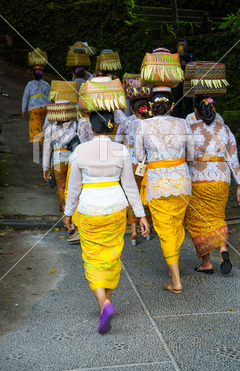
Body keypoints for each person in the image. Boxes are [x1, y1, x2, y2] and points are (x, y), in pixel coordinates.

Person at [63, 110, 150, 334]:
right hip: (116, 207)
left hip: (89, 208)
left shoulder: (80, 150)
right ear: (111, 127)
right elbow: (131, 186)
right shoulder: (121, 150)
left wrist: (68, 212)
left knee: (92, 257)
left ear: (91, 129)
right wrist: (141, 215)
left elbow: (74, 187)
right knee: (112, 255)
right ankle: (106, 303)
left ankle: (104, 303)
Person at [135, 87, 195, 294]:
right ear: (171, 106)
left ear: (151, 107)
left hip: (158, 183)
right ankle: (174, 268)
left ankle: (176, 280)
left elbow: (138, 156)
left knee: (165, 229)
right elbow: (192, 155)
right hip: (181, 181)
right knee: (177, 226)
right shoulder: (183, 123)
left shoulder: (143, 124)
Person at [185, 97, 240, 275]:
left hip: (198, 180)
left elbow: (187, 158)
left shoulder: (191, 130)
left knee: (197, 220)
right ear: (214, 110)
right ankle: (222, 249)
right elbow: (233, 160)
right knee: (218, 216)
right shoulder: (225, 130)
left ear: (196, 112)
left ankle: (207, 263)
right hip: (221, 180)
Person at [115, 99, 152, 245]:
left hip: (131, 163)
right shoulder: (152, 122)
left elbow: (117, 140)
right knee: (146, 194)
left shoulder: (127, 122)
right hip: (149, 163)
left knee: (132, 194)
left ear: (132, 109)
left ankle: (134, 231)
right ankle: (148, 228)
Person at [43, 100, 78, 213]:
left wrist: (45, 168)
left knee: (61, 188)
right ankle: (73, 217)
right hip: (73, 161)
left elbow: (47, 150)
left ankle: (65, 213)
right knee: (73, 188)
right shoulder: (76, 125)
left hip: (57, 163)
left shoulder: (50, 128)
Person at [22, 68, 51, 150]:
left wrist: (23, 110)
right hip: (46, 107)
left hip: (34, 108)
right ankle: (43, 145)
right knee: (44, 126)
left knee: (37, 127)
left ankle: (42, 147)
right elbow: (51, 96)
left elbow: (25, 97)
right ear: (42, 75)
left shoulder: (29, 84)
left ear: (33, 75)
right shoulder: (46, 84)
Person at [172, 38, 194, 119]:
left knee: (188, 103)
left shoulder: (189, 56)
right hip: (177, 82)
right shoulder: (173, 57)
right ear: (176, 47)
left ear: (186, 46)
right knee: (177, 102)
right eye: (179, 45)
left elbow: (194, 68)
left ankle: (190, 121)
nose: (181, 47)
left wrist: (186, 64)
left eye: (182, 45)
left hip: (187, 82)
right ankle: (178, 120)